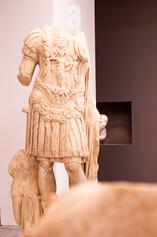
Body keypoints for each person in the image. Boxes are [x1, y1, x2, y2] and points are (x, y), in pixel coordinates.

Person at [16, 25, 100, 213]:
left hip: (71, 105)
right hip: (43, 104)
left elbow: (84, 79)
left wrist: (90, 110)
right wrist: (23, 69)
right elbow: (25, 77)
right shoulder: (36, 38)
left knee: (73, 164)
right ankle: (51, 217)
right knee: (44, 164)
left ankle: (84, 213)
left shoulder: (79, 40)